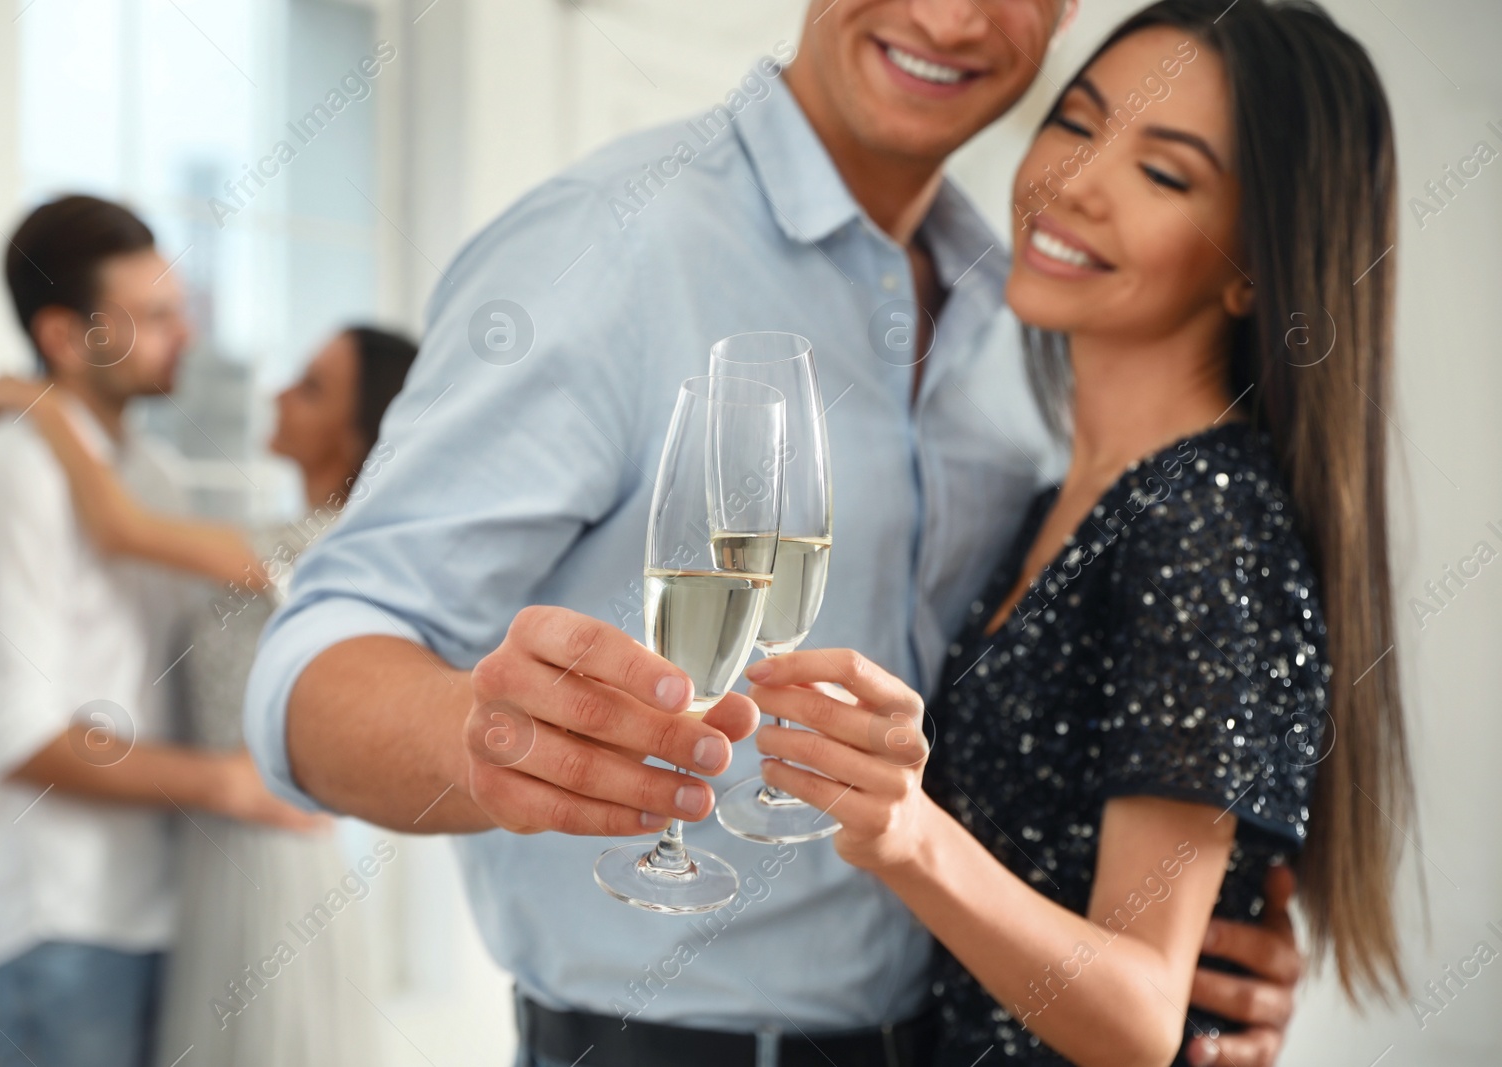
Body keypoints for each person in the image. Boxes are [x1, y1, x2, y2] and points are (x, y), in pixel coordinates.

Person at [245, 3, 1303, 1065]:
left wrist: (1193, 942)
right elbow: (309, 662)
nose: (946, 15)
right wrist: (483, 743)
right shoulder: (605, 240)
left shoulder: (1030, 307)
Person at [740, 1, 1412, 1063]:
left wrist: (906, 830)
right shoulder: (1060, 489)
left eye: (1164, 173)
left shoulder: (1203, 520)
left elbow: (1144, 1014)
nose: (1075, 182)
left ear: (1256, 265)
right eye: (1077, 123)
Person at [0, 194, 315, 1067]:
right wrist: (227, 783)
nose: (187, 333)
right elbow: (20, 737)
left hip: (163, 911)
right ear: (68, 337)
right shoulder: (13, 482)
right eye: (153, 316)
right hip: (61, 926)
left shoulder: (151, 476)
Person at [0, 323, 419, 1067]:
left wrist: (47, 409)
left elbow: (120, 527)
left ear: (355, 430)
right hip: (214, 849)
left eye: (309, 387)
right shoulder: (275, 538)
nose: (275, 393)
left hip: (270, 855)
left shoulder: (326, 548)